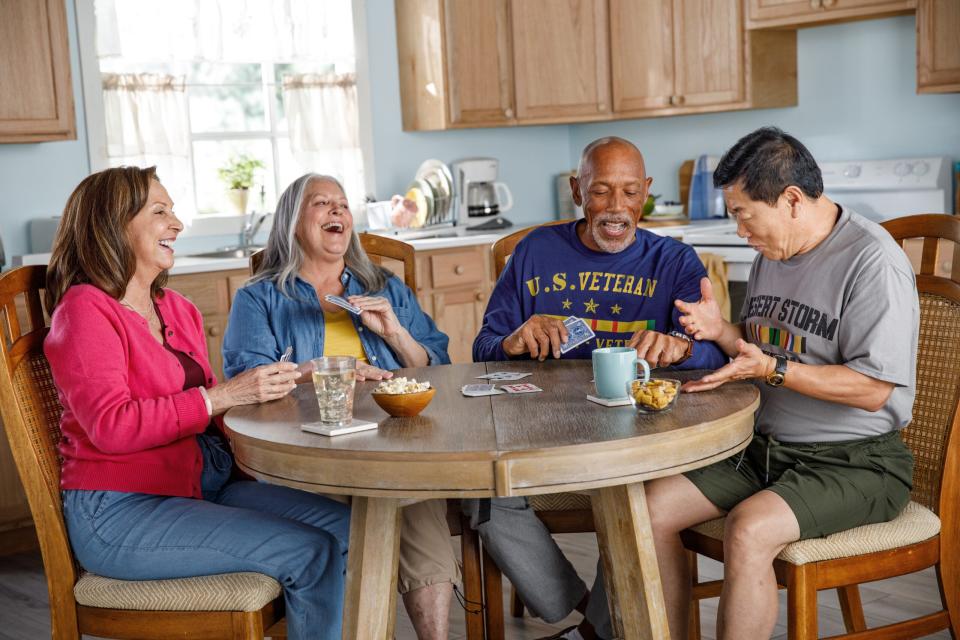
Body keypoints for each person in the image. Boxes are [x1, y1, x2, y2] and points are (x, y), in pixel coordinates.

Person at [44, 167, 351, 640]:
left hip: (199, 484)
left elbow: (214, 416)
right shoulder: (85, 309)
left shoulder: (177, 308)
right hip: (121, 512)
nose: (178, 224)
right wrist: (222, 395)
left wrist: (287, 382)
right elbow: (111, 425)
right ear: (112, 223)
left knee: (350, 527)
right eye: (160, 211)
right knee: (310, 551)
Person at [648, 126, 919, 639]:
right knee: (649, 508)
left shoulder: (872, 261)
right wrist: (721, 331)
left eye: (744, 215)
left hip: (857, 460)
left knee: (748, 530)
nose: (740, 231)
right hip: (764, 449)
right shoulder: (772, 253)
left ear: (791, 200)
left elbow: (872, 390)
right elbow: (761, 347)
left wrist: (773, 371)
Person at [470, 136, 728, 640]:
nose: (616, 209)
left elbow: (717, 354)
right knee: (481, 494)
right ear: (577, 190)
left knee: (634, 498)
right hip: (543, 427)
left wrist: (682, 350)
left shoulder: (674, 263)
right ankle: (582, 612)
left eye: (630, 193)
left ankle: (594, 632)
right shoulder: (534, 251)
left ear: (646, 193)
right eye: (602, 191)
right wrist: (515, 340)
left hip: (635, 434)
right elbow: (482, 348)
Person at [222, 173, 458, 640]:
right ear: (293, 223)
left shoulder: (384, 287)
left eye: (343, 204)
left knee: (414, 497)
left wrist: (395, 332)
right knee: (388, 503)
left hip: (395, 437)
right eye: (321, 203)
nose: (337, 212)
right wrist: (322, 368)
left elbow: (437, 366)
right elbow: (248, 385)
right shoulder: (260, 298)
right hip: (312, 447)